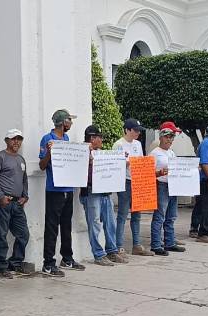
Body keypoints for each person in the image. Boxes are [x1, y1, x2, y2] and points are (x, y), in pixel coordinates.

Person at [39, 109, 86, 276]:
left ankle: (67, 257)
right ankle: (48, 263)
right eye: (69, 120)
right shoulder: (47, 139)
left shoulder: (66, 139)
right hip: (54, 190)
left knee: (66, 225)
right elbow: (42, 165)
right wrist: (50, 153)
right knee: (52, 227)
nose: (71, 123)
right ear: (61, 122)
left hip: (68, 188)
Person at [0, 129, 31, 278]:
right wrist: (0, 197)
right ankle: (2, 266)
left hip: (17, 204)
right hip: (3, 203)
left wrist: (25, 196)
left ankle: (16, 263)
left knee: (23, 234)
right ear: (6, 140)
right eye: (13, 139)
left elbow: (24, 179)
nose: (16, 142)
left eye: (19, 139)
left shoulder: (21, 159)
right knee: (1, 234)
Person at [79, 126, 123, 266]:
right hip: (91, 192)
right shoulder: (81, 152)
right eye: (100, 137)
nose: (102, 140)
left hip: (105, 191)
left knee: (110, 223)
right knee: (95, 224)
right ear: (92, 138)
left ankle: (112, 250)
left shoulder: (99, 153)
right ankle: (98, 254)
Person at [112, 118, 154, 257]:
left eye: (138, 131)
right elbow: (115, 165)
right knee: (123, 214)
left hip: (137, 180)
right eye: (135, 130)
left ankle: (136, 244)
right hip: (125, 181)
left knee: (137, 214)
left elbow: (141, 161)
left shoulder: (137, 144)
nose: (137, 133)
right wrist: (128, 163)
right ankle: (118, 245)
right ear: (127, 130)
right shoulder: (118, 145)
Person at [149, 122, 187, 256]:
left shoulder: (171, 152)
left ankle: (169, 242)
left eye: (172, 137)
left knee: (171, 216)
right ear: (161, 137)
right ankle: (156, 244)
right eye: (168, 136)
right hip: (161, 185)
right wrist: (160, 172)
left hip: (173, 185)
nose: (170, 139)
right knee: (160, 216)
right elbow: (148, 173)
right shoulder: (155, 153)